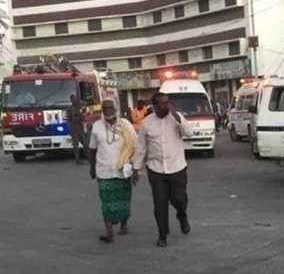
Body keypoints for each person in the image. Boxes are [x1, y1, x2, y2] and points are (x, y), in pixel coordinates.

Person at [133, 93, 193, 247]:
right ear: (153, 106)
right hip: (156, 170)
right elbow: (141, 148)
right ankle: (162, 234)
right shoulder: (147, 123)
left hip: (177, 168)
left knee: (179, 199)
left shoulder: (176, 117)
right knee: (160, 203)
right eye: (160, 104)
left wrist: (178, 119)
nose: (164, 106)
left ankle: (182, 215)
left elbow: (189, 133)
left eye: (167, 103)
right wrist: (136, 169)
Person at [89, 99, 137, 243]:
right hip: (103, 170)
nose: (107, 110)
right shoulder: (96, 126)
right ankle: (109, 231)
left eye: (110, 108)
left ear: (115, 109)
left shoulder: (126, 124)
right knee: (106, 201)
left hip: (123, 170)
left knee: (124, 199)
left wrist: (135, 169)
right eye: (104, 108)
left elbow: (135, 146)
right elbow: (92, 149)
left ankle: (124, 224)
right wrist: (92, 168)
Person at [67, 95, 88, 165]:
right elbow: (69, 120)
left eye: (75, 99)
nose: (74, 101)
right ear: (71, 101)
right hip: (74, 129)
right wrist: (70, 130)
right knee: (76, 147)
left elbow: (85, 104)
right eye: (73, 99)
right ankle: (77, 160)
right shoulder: (69, 109)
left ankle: (89, 159)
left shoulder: (80, 107)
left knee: (85, 144)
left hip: (80, 127)